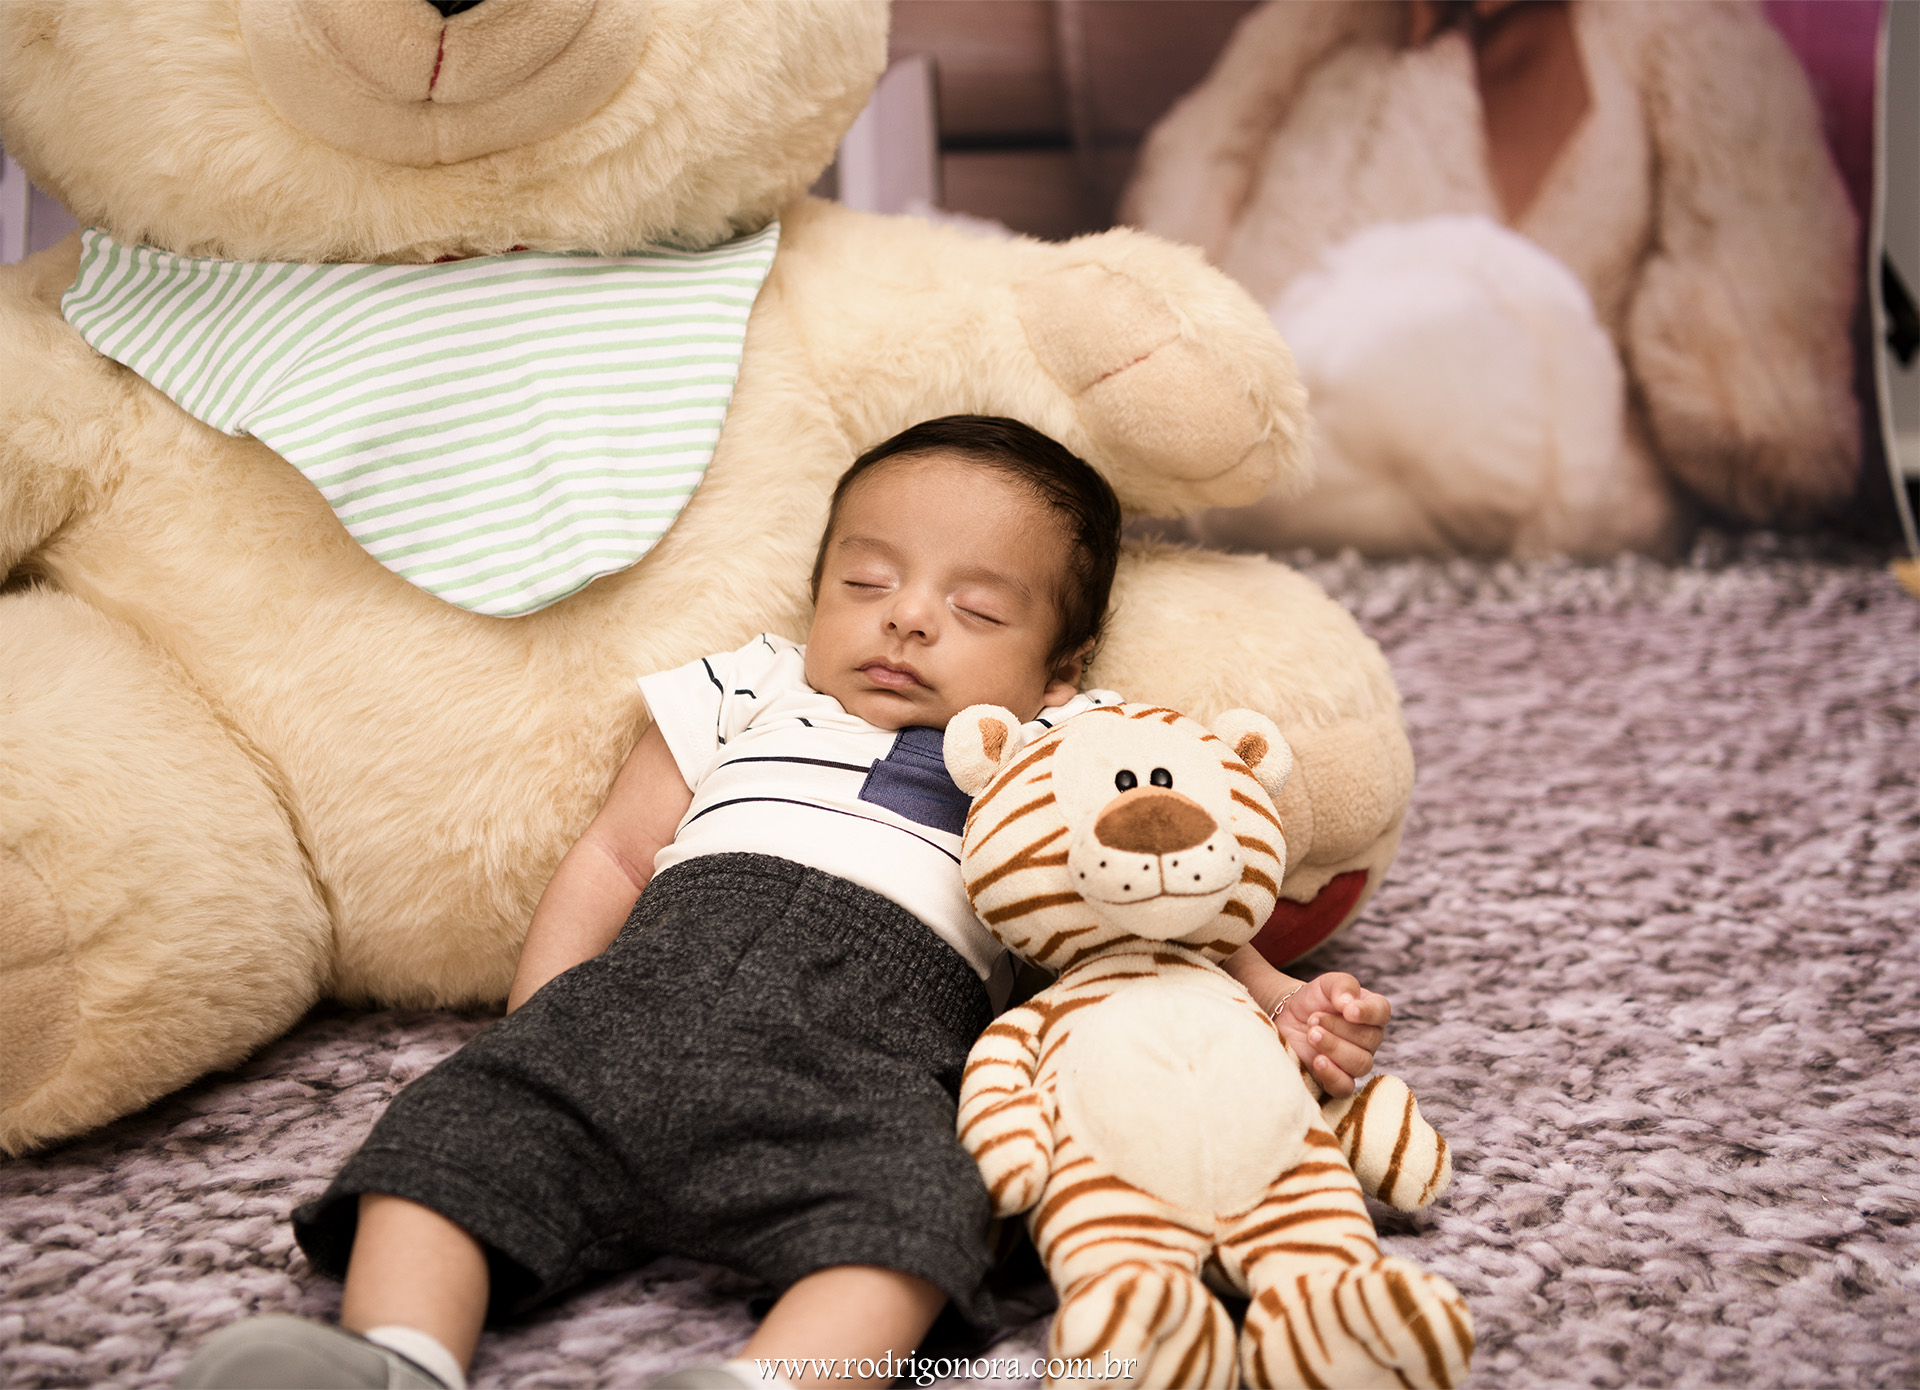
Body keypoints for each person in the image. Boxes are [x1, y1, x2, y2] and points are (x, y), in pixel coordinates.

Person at [176, 416, 1392, 1390]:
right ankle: (396, 1353)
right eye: (866, 580)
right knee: (454, 1128)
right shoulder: (747, 687)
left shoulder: (1067, 748)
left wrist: (1278, 996)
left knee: (931, 1211)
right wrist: (544, 1021)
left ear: (1058, 668)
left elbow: (1159, 902)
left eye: (976, 609)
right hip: (633, 1003)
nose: (907, 615)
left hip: (868, 1064)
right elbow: (615, 855)